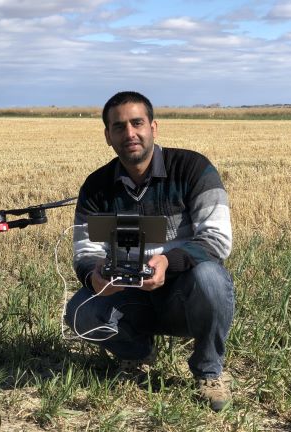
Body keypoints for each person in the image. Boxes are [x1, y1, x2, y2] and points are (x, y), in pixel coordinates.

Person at [65, 91, 235, 412]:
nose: (129, 133)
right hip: (129, 294)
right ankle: (137, 353)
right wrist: (95, 275)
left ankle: (209, 370)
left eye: (137, 123)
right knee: (80, 312)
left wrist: (167, 262)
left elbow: (217, 240)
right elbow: (84, 250)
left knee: (211, 278)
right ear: (107, 136)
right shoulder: (97, 186)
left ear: (153, 127)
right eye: (118, 127)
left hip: (184, 294)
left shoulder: (192, 169)